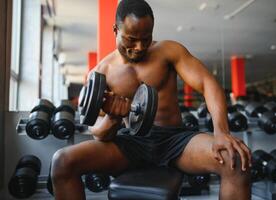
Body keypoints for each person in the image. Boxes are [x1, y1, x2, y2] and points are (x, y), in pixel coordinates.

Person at [51, 0, 251, 199]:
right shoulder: (101, 73)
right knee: (63, 161)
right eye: (131, 39)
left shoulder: (168, 51)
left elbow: (208, 84)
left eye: (146, 39)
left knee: (235, 161)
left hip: (175, 140)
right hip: (130, 143)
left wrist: (221, 132)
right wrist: (113, 118)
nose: (139, 47)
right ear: (115, 29)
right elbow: (98, 134)